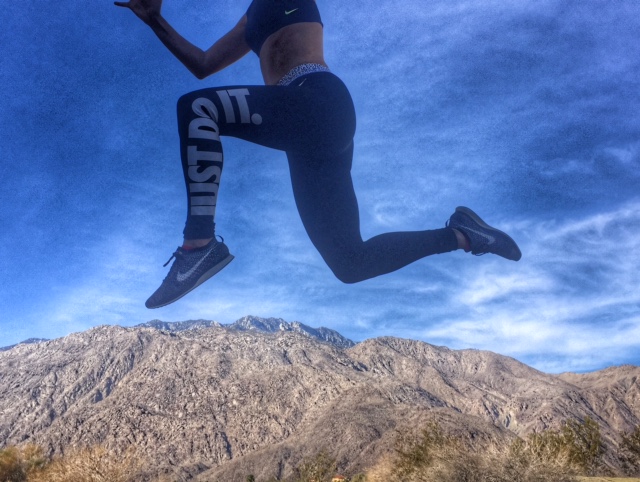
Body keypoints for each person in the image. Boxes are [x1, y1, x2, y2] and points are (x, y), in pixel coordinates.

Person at [115, 0, 522, 309]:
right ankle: (465, 234)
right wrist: (153, 19)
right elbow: (203, 64)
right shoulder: (250, 18)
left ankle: (197, 245)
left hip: (318, 99)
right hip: (304, 131)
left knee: (199, 109)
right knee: (350, 263)